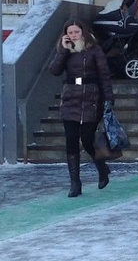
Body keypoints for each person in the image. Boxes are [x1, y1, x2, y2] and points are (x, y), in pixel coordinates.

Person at [47, 19, 114, 197]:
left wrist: (108, 99)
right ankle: (75, 183)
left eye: (76, 32)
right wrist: (63, 51)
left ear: (83, 32)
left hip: (91, 97)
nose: (73, 35)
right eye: (70, 33)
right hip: (70, 97)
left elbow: (104, 76)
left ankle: (102, 168)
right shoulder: (65, 51)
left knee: (87, 139)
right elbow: (54, 71)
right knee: (71, 140)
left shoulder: (94, 50)